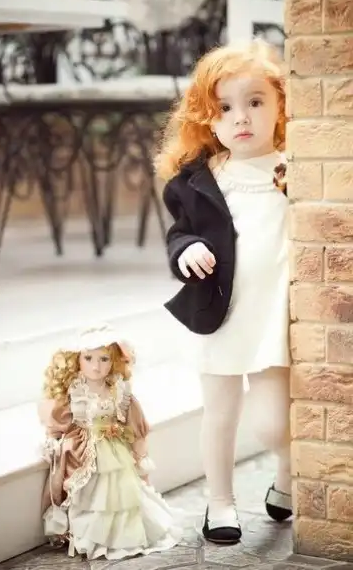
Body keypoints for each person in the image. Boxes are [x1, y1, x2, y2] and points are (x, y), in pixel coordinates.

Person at [155, 39, 292, 545]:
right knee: (220, 414)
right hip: (221, 313)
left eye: (255, 102)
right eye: (225, 108)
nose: (242, 118)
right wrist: (187, 249)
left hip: (275, 317)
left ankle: (288, 476)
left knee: (276, 424)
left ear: (280, 105)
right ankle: (220, 502)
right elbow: (180, 233)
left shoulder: (296, 169)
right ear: (207, 120)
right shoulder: (202, 180)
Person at [38, 325, 181, 559]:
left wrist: (140, 456)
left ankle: (125, 535)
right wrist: (53, 440)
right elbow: (57, 422)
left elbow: (135, 423)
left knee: (123, 494)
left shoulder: (118, 390)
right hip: (86, 451)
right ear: (77, 359)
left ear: (113, 360)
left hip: (115, 451)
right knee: (93, 497)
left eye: (104, 359)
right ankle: (94, 536)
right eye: (88, 358)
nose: (96, 366)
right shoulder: (75, 392)